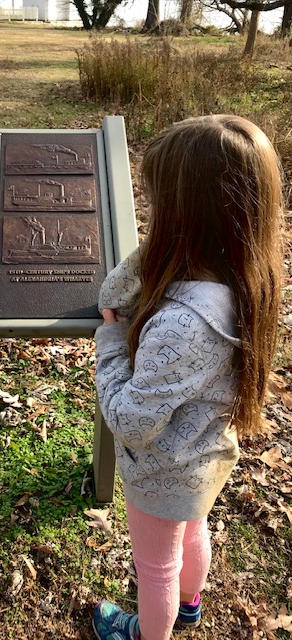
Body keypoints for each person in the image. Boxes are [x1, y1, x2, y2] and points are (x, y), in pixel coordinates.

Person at [93, 114, 283, 640]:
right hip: (205, 455)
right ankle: (189, 605)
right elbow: (119, 289)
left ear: (185, 215)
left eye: (159, 203)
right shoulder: (244, 278)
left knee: (156, 566)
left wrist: (111, 341)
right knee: (193, 527)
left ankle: (148, 633)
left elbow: (131, 421)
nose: (152, 212)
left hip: (162, 471)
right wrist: (161, 246)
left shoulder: (182, 323)